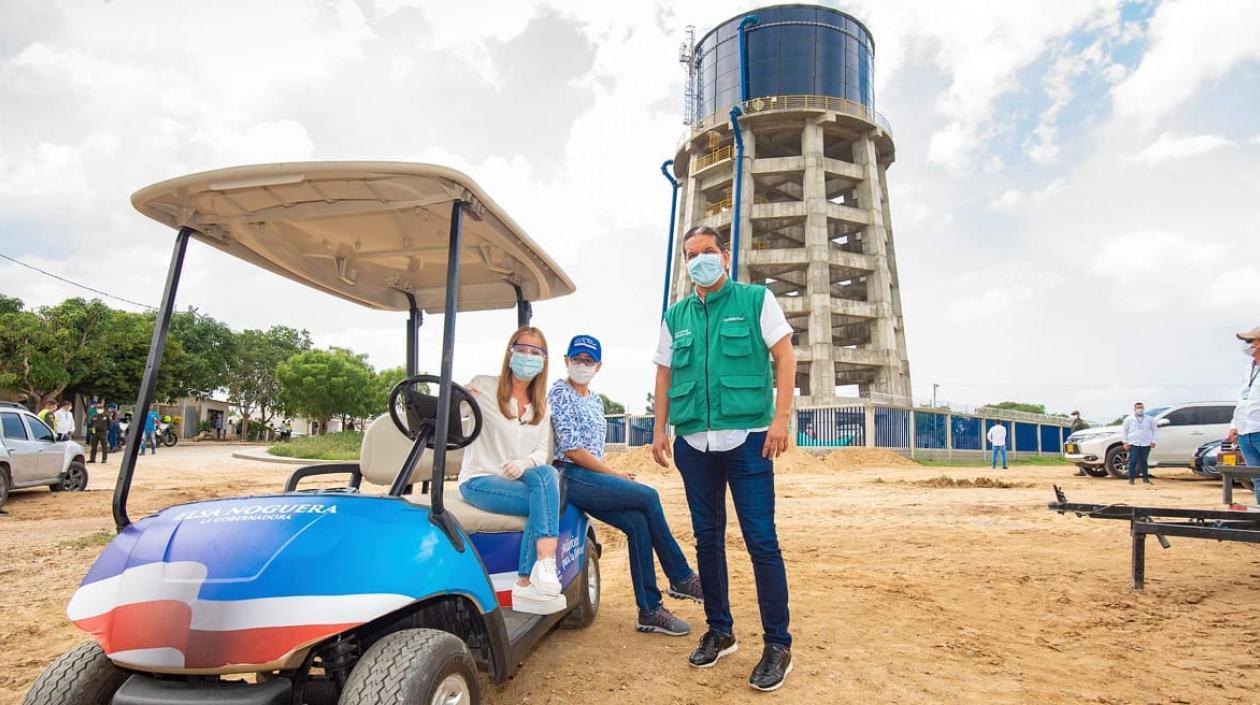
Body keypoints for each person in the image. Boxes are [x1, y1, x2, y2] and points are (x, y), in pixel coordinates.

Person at [650, 225, 796, 692]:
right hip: (694, 442)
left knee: (760, 539)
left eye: (708, 252)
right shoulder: (676, 315)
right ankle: (721, 630)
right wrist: (659, 429)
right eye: (692, 255)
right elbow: (665, 372)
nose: (700, 260)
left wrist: (780, 420)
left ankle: (778, 644)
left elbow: (785, 357)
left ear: (725, 256)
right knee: (707, 539)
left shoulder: (755, 300)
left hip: (751, 437)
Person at [548, 333, 702, 637]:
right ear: (566, 361)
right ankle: (681, 577)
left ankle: (650, 611)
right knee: (648, 497)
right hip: (569, 475)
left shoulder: (593, 400)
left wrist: (609, 474)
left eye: (588, 360)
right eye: (576, 359)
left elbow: (594, 451)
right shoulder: (559, 393)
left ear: (598, 366)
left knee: (638, 524)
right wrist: (614, 477)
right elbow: (572, 450)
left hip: (591, 476)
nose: (582, 364)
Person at [458, 327, 565, 616]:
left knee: (548, 475)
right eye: (523, 349)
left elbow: (540, 453)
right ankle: (532, 577)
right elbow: (456, 422)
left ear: (544, 360)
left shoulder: (543, 407)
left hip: (520, 478)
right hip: (481, 480)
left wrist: (524, 464)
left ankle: (537, 571)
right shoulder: (484, 387)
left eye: (535, 352)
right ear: (511, 352)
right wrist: (460, 400)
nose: (528, 357)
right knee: (545, 498)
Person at [1227, 325, 1260, 502]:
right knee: (1257, 477)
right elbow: (1243, 400)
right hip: (1246, 432)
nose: (1247, 345)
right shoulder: (1250, 369)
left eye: (1250, 341)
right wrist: (1234, 425)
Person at [1122, 401, 1157, 485]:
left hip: (1146, 443)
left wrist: (1154, 441)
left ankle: (1145, 479)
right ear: (1134, 409)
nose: (1140, 409)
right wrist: (1125, 442)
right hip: (1134, 443)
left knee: (1144, 461)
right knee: (1133, 461)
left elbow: (1155, 430)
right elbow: (1124, 431)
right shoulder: (1129, 419)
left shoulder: (1149, 419)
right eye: (1138, 408)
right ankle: (1131, 479)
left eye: (1141, 408)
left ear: (1143, 409)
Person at [1069, 411, 1090, 476]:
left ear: (1077, 415)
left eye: (1073, 415)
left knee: (1081, 455)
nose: (1072, 416)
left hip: (1081, 441)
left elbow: (1087, 431)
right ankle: (1081, 470)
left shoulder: (1082, 422)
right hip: (1074, 441)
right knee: (1077, 456)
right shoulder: (1074, 422)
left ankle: (1083, 471)